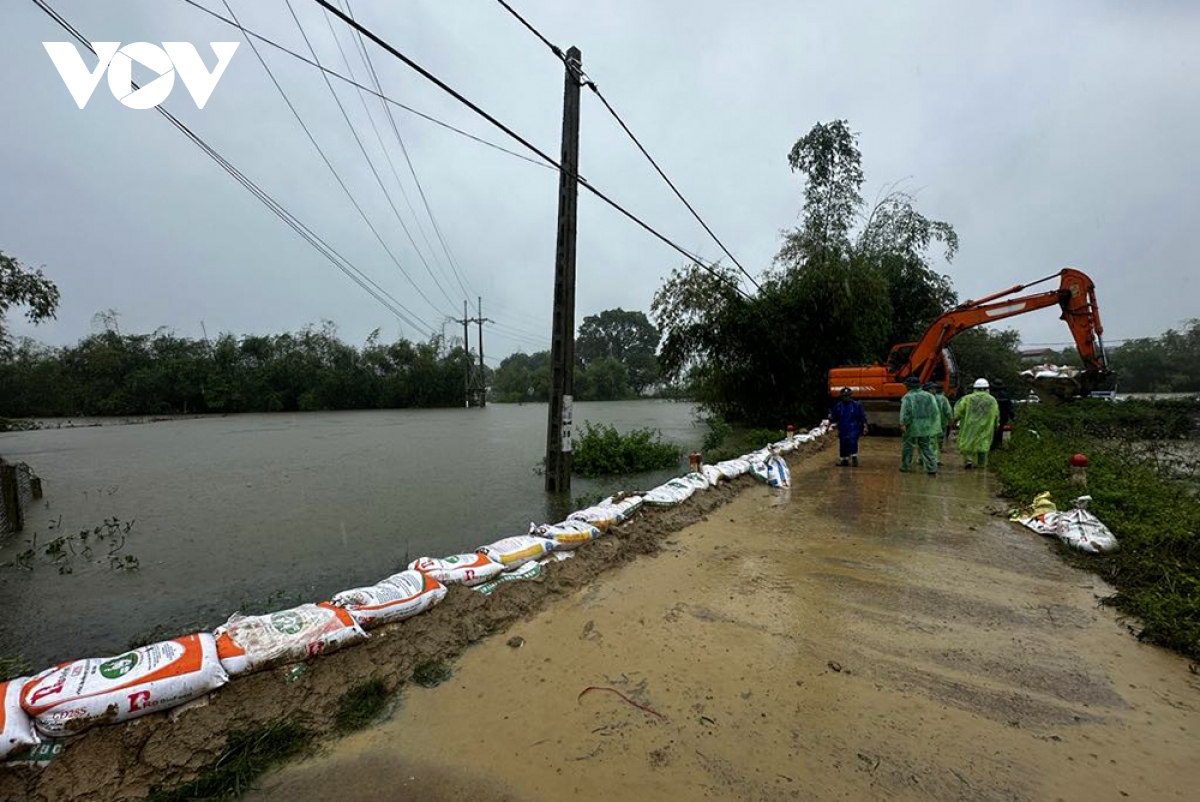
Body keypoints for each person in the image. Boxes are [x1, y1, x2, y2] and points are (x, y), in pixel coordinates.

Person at [954, 378, 1000, 468]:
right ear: (987, 388)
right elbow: (996, 413)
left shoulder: (968, 398)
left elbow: (959, 411)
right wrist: (996, 424)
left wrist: (955, 419)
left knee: (968, 442)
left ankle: (968, 460)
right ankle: (981, 464)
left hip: (969, 424)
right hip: (986, 425)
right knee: (983, 443)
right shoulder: (992, 400)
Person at [899, 376, 940, 476]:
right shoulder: (929, 396)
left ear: (909, 386)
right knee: (926, 446)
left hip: (912, 425)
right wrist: (930, 423)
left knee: (908, 446)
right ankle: (932, 468)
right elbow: (935, 411)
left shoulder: (908, 397)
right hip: (926, 425)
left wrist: (903, 423)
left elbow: (906, 412)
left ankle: (905, 466)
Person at [828, 387, 868, 467]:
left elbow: (862, 416)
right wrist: (829, 423)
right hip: (843, 428)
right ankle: (844, 459)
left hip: (853, 428)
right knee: (843, 443)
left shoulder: (856, 405)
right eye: (844, 396)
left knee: (852, 442)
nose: (846, 398)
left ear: (850, 396)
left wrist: (865, 426)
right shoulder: (839, 406)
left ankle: (854, 458)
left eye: (847, 396)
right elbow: (834, 416)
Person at [924, 382, 953, 466]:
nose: (935, 390)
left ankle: (926, 459)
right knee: (934, 442)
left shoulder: (921, 398)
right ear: (929, 389)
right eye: (933, 388)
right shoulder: (942, 399)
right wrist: (950, 419)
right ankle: (933, 460)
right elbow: (947, 410)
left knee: (928, 442)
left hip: (928, 424)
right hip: (938, 424)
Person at [990, 378, 1015, 451]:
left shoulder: (990, 395)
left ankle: (992, 446)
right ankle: (1001, 445)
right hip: (1003, 417)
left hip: (991, 416)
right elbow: (1010, 407)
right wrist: (1012, 416)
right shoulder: (1006, 395)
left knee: (991, 431)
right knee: (1001, 430)